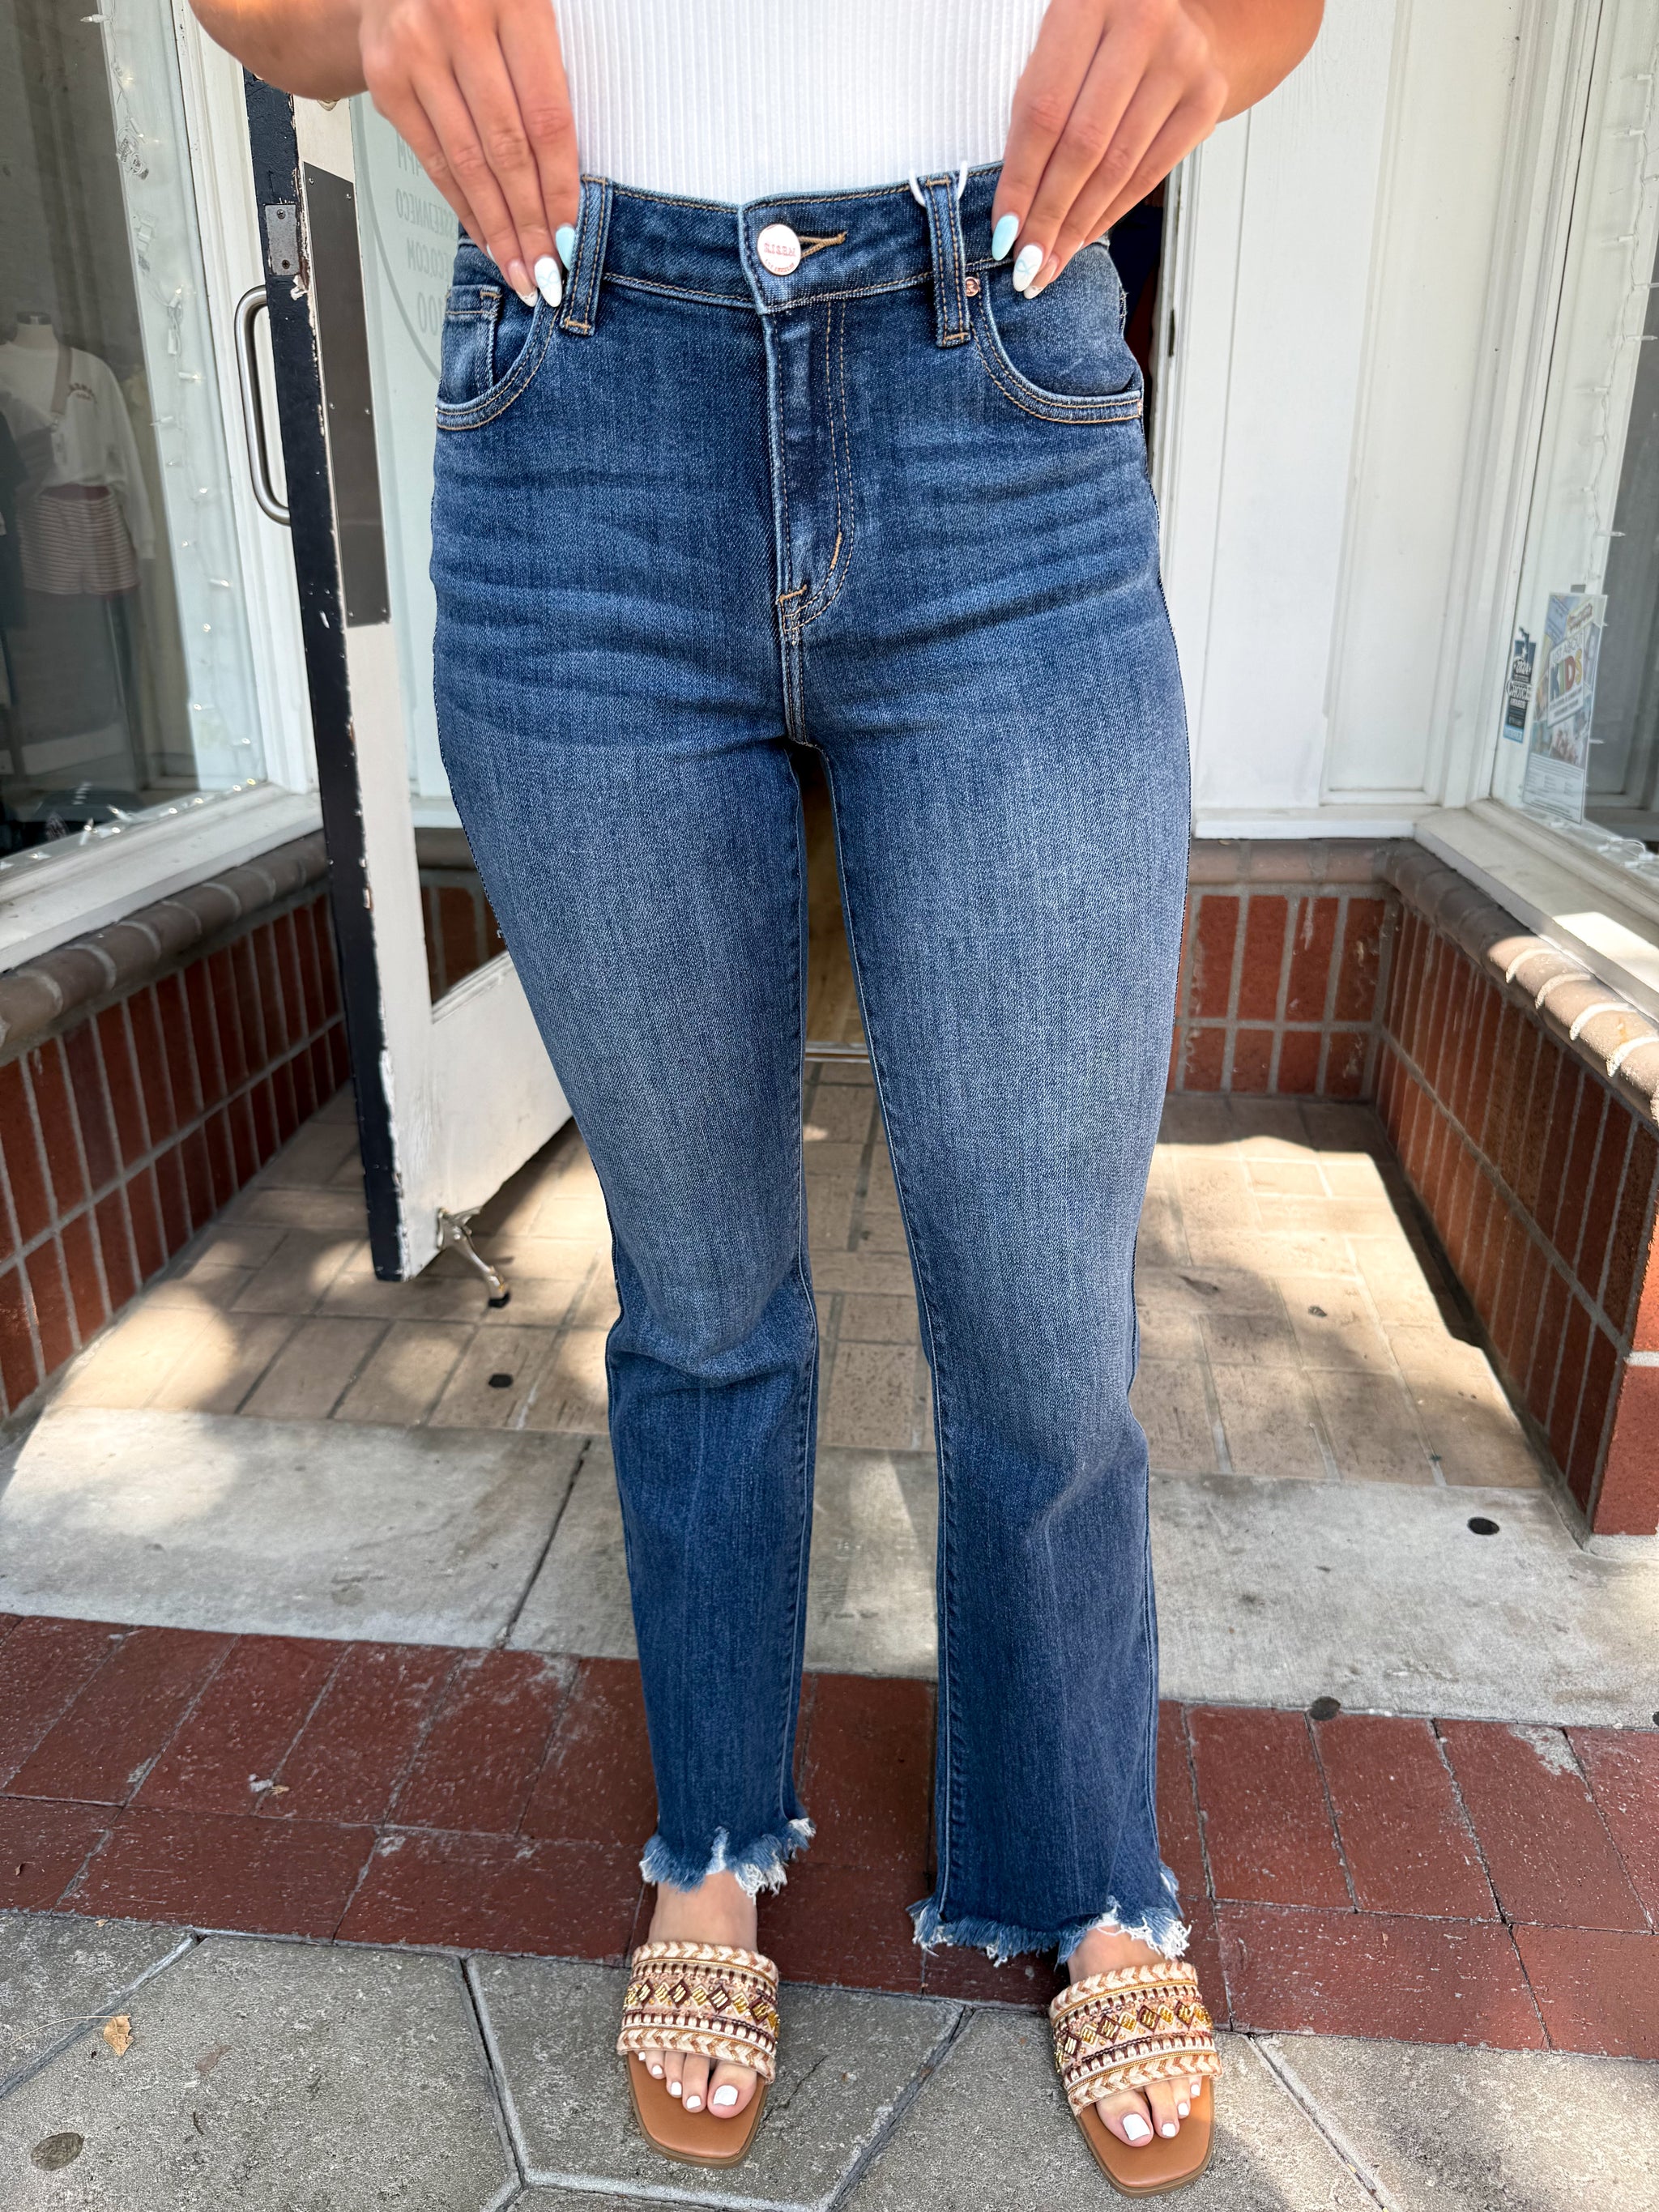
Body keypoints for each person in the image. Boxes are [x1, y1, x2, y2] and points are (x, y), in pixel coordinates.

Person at [190, 0, 1324, 2189]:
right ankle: (712, 1836)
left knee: (1043, 1311)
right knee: (700, 1284)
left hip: (995, 396)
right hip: (576, 396)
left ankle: (1081, 1857)